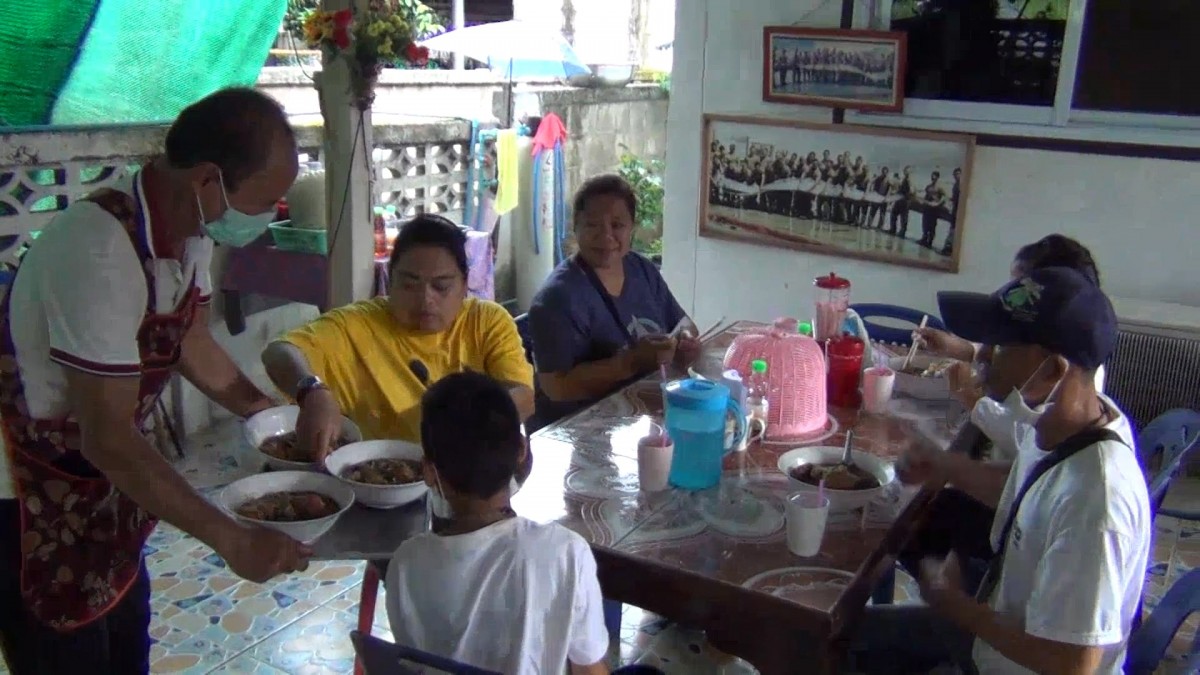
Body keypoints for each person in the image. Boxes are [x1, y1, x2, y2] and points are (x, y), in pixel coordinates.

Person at [0, 88, 311, 674]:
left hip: (100, 484)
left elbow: (190, 339)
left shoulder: (187, 231)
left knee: (124, 640)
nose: (272, 214)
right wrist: (232, 539)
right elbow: (108, 436)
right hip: (27, 490)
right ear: (207, 180)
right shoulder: (96, 251)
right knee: (65, 653)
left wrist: (274, 420)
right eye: (267, 200)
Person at [851, 267, 1149, 674]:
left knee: (833, 644)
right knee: (839, 633)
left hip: (1003, 661)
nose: (982, 354)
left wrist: (952, 602)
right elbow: (1030, 489)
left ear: (1051, 371)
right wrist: (945, 464)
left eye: (1001, 344)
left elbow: (1073, 663)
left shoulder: (1096, 500)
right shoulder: (1068, 426)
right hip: (992, 638)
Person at [386, 372, 638, 675]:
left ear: (429, 471)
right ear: (521, 450)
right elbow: (589, 670)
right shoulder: (565, 553)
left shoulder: (404, 563)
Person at [262, 214, 533, 455]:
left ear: (464, 285)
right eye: (409, 284)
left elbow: (523, 396)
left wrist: (478, 418)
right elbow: (280, 352)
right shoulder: (359, 324)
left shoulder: (486, 321)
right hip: (377, 478)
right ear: (389, 281)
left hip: (468, 474)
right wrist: (311, 390)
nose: (426, 299)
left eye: (441, 287)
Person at [528, 174, 702, 432]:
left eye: (617, 225)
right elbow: (556, 387)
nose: (606, 236)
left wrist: (685, 342)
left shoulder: (641, 269)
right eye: (592, 225)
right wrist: (631, 362)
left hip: (636, 418)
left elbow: (684, 324)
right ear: (576, 227)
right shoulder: (558, 299)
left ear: (632, 227)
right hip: (577, 429)